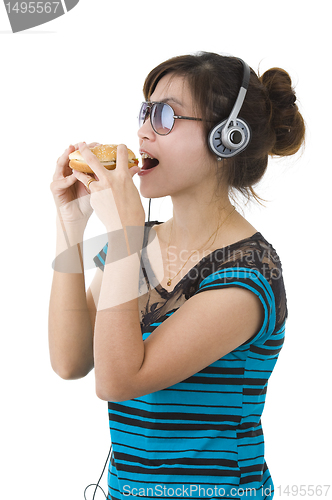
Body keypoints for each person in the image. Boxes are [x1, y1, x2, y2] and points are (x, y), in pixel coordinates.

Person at [49, 52, 305, 500]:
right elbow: (70, 361)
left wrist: (125, 238)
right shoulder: (139, 246)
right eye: (144, 112)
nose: (143, 130)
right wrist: (71, 224)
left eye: (165, 115)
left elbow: (117, 381)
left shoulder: (247, 274)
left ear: (227, 139)